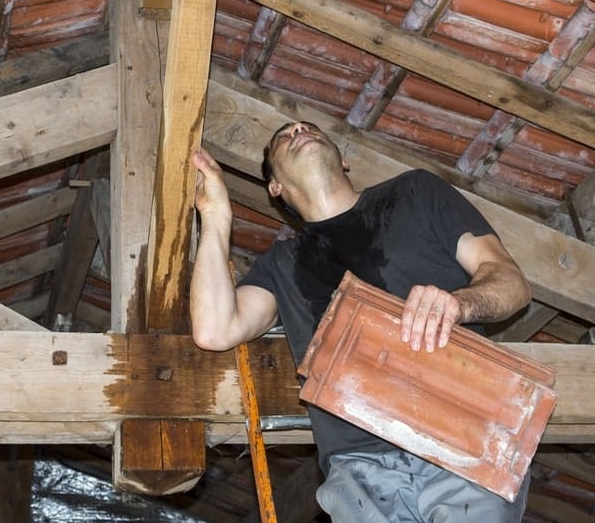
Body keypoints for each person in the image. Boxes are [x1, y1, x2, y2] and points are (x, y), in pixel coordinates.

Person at [189, 120, 533, 522]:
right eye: (283, 135)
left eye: (308, 126)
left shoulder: (416, 193)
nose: (298, 128)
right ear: (275, 188)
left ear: (345, 161)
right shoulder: (281, 265)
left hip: (467, 438)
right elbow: (215, 329)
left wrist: (460, 304)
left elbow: (512, 283)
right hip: (359, 471)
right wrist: (215, 218)